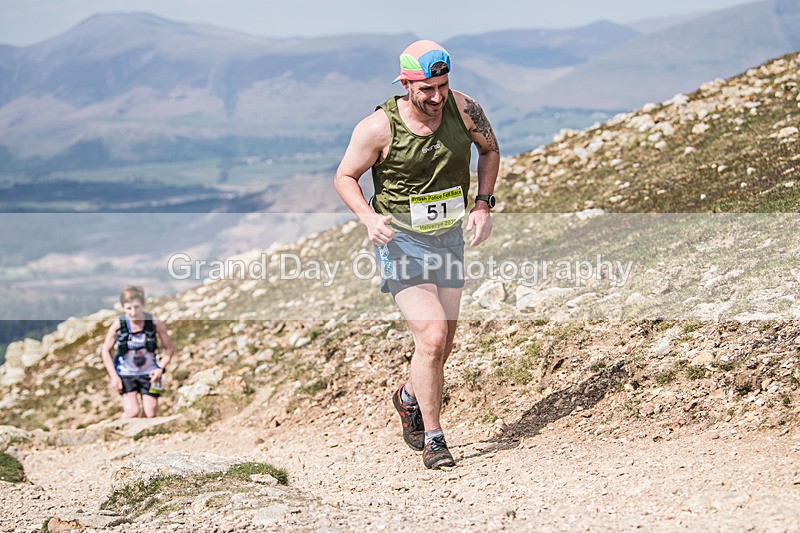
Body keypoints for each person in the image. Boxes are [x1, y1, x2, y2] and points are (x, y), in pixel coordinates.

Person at [334, 40, 500, 469]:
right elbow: (345, 176)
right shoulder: (377, 128)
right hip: (401, 241)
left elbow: (489, 149)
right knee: (431, 337)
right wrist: (368, 219)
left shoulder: (464, 110)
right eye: (427, 89)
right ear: (405, 83)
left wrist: (483, 203)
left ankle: (408, 397)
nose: (437, 97)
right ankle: (434, 437)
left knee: (442, 347)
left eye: (442, 86)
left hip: (448, 238)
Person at [101, 285, 174, 418]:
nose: (133, 312)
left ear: (143, 305)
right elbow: (106, 350)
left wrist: (160, 368)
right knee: (132, 412)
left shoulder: (154, 322)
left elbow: (169, 348)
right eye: (129, 308)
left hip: (150, 373)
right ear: (123, 308)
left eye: (137, 307)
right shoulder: (119, 325)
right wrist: (114, 376)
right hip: (126, 373)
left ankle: (148, 437)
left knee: (150, 413)